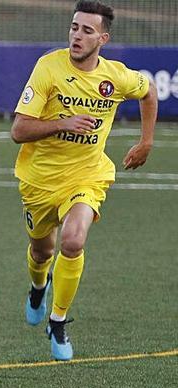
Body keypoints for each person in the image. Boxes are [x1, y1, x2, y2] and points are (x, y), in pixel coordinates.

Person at [11, 0, 157, 361]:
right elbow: (18, 130)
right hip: (40, 181)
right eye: (74, 27)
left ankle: (58, 322)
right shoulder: (48, 67)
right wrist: (63, 122)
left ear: (102, 38)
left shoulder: (116, 77)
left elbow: (149, 90)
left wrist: (146, 142)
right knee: (42, 250)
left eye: (87, 30)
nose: (77, 35)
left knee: (73, 241)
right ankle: (37, 285)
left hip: (88, 175)